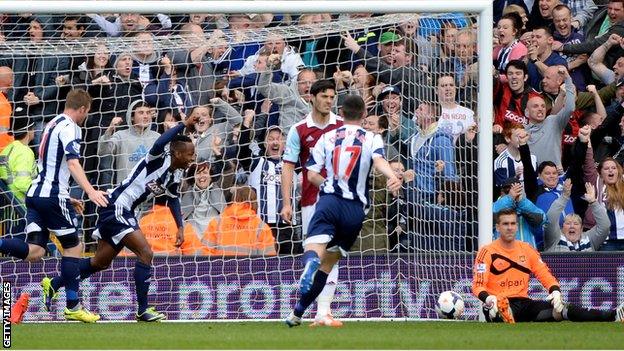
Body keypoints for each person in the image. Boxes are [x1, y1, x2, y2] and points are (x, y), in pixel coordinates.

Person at [41, 114, 198, 322]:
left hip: (122, 211)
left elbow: (173, 198)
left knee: (99, 262)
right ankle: (142, 309)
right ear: (177, 153)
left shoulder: (174, 175)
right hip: (117, 206)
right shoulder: (158, 158)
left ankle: (54, 283)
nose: (192, 159)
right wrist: (183, 125)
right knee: (145, 252)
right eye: (189, 154)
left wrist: (180, 227)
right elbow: (161, 141)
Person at [285, 95, 401, 327]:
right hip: (355, 210)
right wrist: (393, 177)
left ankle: (309, 263)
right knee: (328, 265)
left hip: (329, 202)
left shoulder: (327, 137)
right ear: (364, 114)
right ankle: (296, 314)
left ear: (341, 112)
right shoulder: (372, 137)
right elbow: (378, 161)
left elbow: (311, 174)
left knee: (314, 251)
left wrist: (327, 185)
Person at [0, 89, 109, 323]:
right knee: (74, 247)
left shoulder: (51, 123)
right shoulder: (71, 127)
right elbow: (71, 162)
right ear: (82, 109)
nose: (85, 117)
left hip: (36, 194)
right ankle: (72, 305)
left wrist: (66, 197)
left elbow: (49, 164)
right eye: (86, 113)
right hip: (51, 195)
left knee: (35, 252)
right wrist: (90, 191)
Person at [472, 208, 624, 323]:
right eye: (505, 224)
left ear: (517, 226)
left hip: (524, 304)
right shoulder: (487, 251)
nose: (510, 227)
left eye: (513, 223)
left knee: (561, 309)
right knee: (498, 308)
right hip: (497, 302)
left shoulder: (527, 249)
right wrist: (489, 299)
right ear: (497, 227)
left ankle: (613, 315)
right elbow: (478, 286)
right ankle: (503, 313)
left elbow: (545, 275)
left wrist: (556, 291)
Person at [280, 79, 343, 327]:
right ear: (312, 98)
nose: (329, 101)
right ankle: (321, 312)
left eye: (332, 97)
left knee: (327, 252)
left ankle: (321, 311)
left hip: (337, 199)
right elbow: (288, 166)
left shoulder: (342, 126)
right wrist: (287, 202)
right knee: (327, 253)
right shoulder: (299, 129)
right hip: (311, 199)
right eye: (324, 96)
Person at [202, 186, 276, 256]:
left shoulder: (217, 222)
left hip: (220, 268)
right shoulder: (262, 227)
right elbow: (268, 261)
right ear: (254, 202)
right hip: (250, 269)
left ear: (233, 200)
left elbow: (205, 253)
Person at [544, 180, 610, 251]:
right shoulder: (555, 238)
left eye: (576, 224)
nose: (572, 226)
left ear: (581, 229)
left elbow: (605, 226)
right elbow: (550, 219)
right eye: (568, 223)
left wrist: (593, 202)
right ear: (562, 228)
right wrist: (564, 197)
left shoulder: (590, 238)